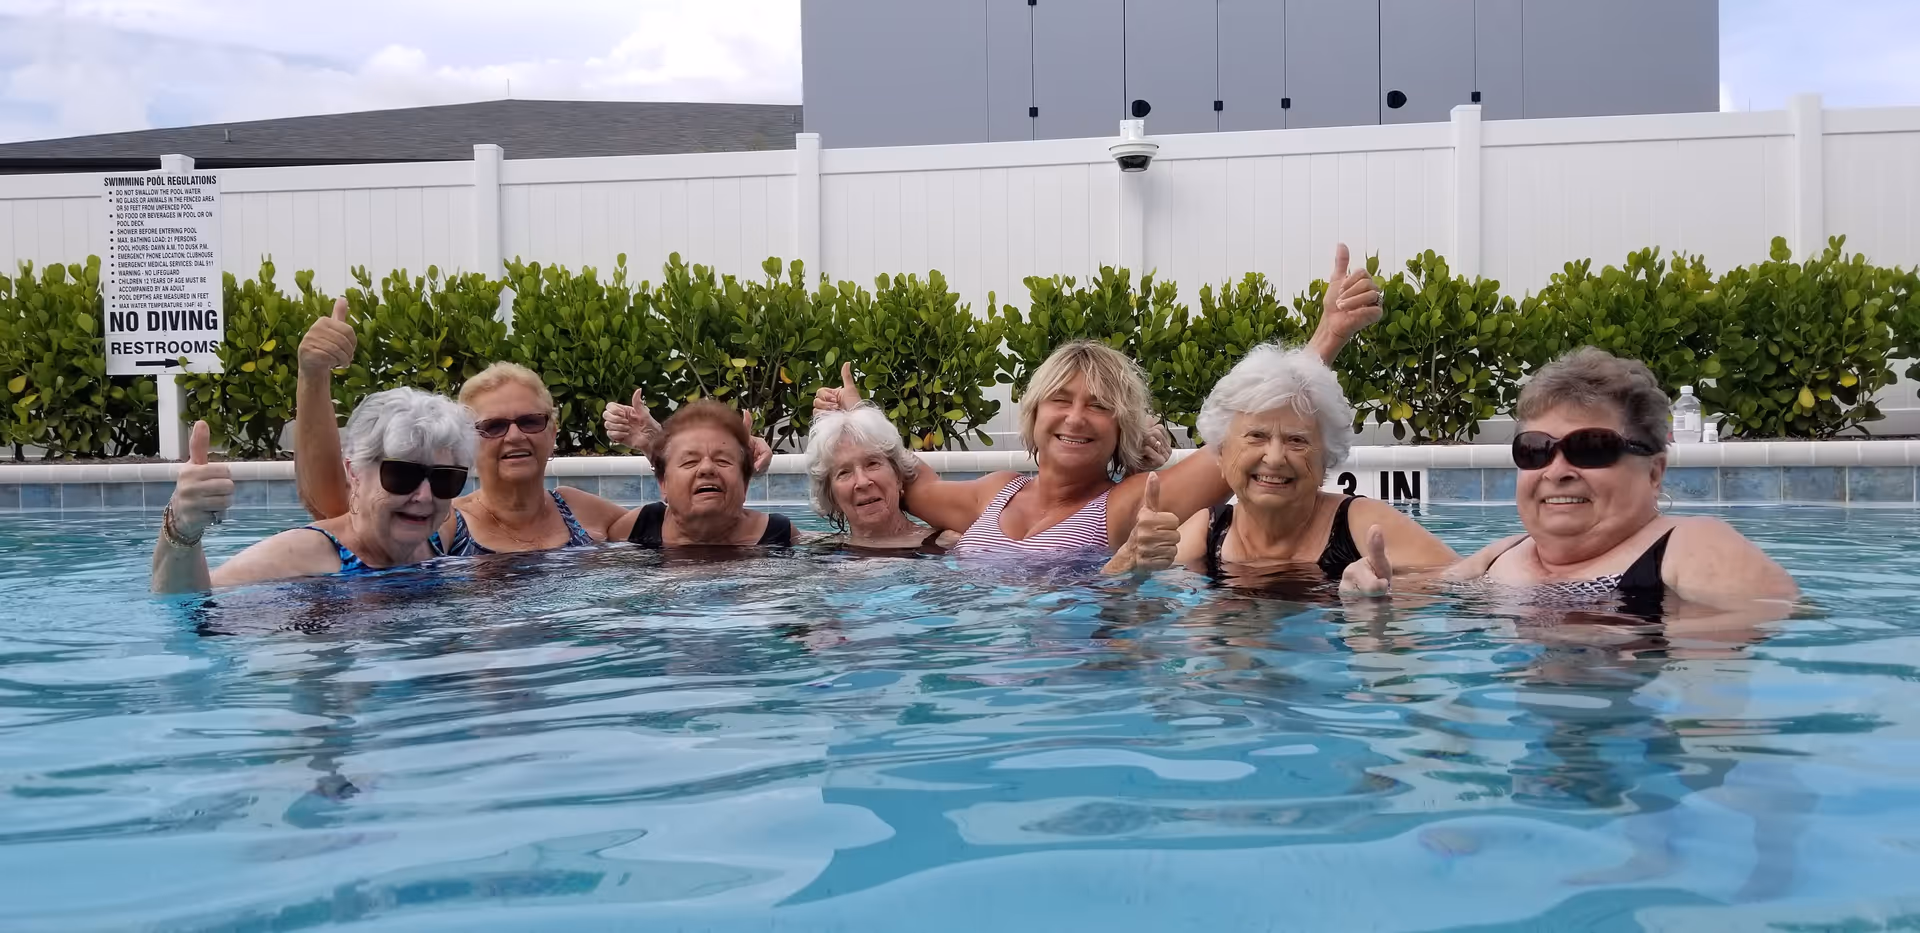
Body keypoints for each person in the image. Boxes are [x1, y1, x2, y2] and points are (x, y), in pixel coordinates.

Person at [819, 244, 1381, 558]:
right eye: (1060, 400)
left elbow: (1241, 444)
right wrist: (861, 419)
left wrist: (1326, 338)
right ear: (1034, 415)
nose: (1076, 418)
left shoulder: (1129, 504)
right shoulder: (994, 493)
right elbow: (914, 485)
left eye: (1099, 406)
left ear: (1121, 430)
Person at [295, 298, 696, 553]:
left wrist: (655, 444)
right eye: (494, 426)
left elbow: (685, 525)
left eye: (531, 421)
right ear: (463, 442)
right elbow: (332, 509)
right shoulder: (445, 521)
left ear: (553, 431)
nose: (516, 435)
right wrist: (313, 376)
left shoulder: (578, 510)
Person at [1423, 347, 1799, 608]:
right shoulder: (1500, 554)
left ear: (1654, 472)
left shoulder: (1690, 547)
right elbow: (1412, 596)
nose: (1557, 471)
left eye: (1591, 447)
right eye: (1536, 449)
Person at [1102, 343, 1458, 585]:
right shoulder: (1205, 532)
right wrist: (1129, 560)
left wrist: (1387, 606)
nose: (1274, 457)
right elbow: (1114, 613)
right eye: (1256, 436)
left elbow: (1470, 587)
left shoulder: (1365, 527)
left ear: (1325, 460)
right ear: (1222, 455)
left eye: (1297, 440)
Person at [153, 387, 474, 592]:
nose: (425, 496)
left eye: (445, 479)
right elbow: (191, 611)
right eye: (402, 475)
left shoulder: (442, 542)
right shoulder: (304, 556)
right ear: (355, 472)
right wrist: (183, 529)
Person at [608, 399, 797, 547]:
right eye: (690, 461)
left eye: (723, 460)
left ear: (745, 484)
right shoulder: (635, 529)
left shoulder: (780, 536)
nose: (707, 469)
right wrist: (654, 444)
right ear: (663, 484)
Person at [805, 398, 954, 551]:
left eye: (872, 464)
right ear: (831, 497)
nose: (862, 482)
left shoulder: (948, 544)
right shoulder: (820, 551)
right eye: (844, 473)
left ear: (898, 475)